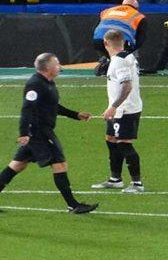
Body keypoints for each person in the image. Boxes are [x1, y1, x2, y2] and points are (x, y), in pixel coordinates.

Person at [0, 53, 97, 214]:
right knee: (59, 164)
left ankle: (73, 205)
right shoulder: (35, 84)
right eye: (57, 64)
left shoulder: (48, 83)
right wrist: (23, 133)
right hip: (38, 133)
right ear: (47, 68)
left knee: (17, 165)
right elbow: (27, 109)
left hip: (43, 131)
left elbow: (52, 105)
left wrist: (75, 114)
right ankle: (73, 205)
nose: (60, 66)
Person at [91, 31, 145, 193]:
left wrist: (113, 107)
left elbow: (126, 86)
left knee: (124, 144)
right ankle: (116, 179)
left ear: (106, 43)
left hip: (125, 109)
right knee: (111, 139)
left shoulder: (119, 61)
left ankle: (137, 183)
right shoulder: (126, 57)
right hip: (122, 109)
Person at [92, 0, 147, 75]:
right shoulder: (138, 16)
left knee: (115, 58)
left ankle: (107, 63)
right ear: (137, 8)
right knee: (123, 61)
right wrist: (129, 51)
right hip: (120, 42)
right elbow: (141, 38)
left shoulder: (107, 11)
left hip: (98, 40)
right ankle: (108, 65)